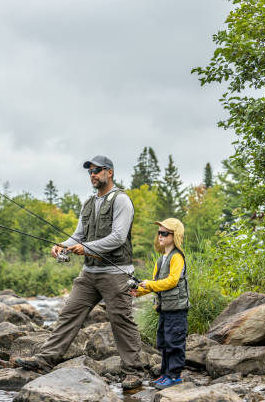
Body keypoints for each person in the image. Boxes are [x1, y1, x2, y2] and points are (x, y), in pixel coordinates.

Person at [14, 155, 144, 390]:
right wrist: (63, 245)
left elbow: (118, 237)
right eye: (90, 172)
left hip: (117, 273)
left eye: (97, 171)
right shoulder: (88, 203)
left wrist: (86, 248)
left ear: (110, 173)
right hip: (89, 273)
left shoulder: (121, 200)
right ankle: (45, 360)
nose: (93, 175)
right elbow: (78, 235)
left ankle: (134, 372)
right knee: (68, 313)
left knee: (121, 321)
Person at [132, 218, 189, 389]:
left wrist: (148, 284)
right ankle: (165, 375)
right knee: (164, 342)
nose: (160, 236)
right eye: (159, 233)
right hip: (164, 309)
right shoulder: (160, 260)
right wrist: (138, 291)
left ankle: (175, 376)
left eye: (165, 233)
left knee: (175, 343)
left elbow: (172, 281)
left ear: (175, 235)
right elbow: (156, 283)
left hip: (177, 310)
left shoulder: (177, 257)